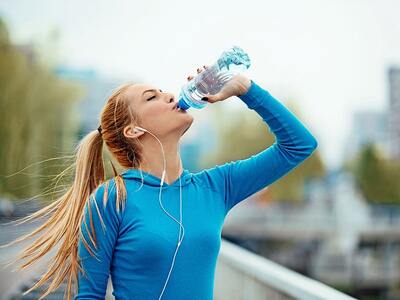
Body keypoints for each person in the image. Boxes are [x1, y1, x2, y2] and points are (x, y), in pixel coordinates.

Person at [1, 66, 318, 300]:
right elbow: (90, 295)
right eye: (152, 97)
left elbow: (299, 145)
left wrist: (245, 89)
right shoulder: (113, 198)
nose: (169, 95)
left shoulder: (216, 187)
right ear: (133, 131)